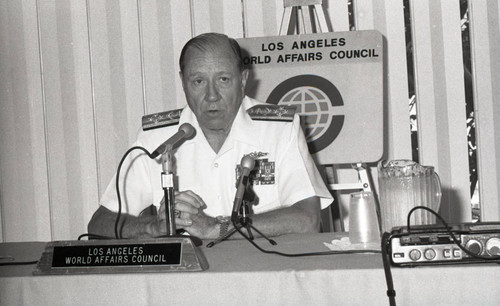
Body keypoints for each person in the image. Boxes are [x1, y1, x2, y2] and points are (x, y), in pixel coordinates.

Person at [88, 32, 333, 240]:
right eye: (198, 81)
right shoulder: (159, 138)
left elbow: (308, 220)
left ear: (243, 80)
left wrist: (216, 228)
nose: (212, 95)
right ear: (183, 83)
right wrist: (155, 227)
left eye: (223, 79)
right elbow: (100, 223)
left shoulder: (279, 129)